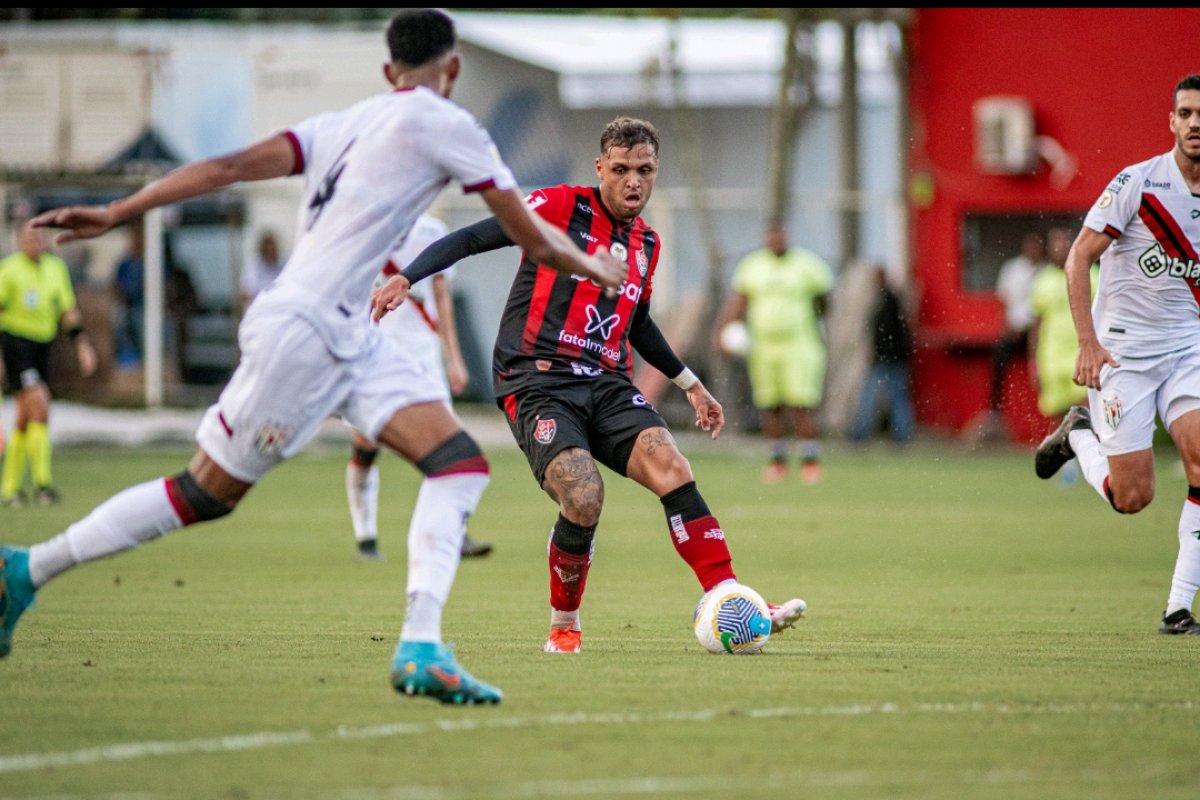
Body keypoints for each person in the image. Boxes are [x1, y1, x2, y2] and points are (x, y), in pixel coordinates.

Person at [0, 10, 624, 706]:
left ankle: (421, 645)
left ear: (389, 73)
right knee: (205, 493)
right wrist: (597, 268)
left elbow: (228, 166)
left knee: (457, 464)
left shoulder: (337, 123)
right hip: (304, 332)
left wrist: (121, 210)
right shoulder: (450, 124)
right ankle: (25, 570)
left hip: (346, 332)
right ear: (451, 71)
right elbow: (533, 238)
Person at [372, 116, 808, 655]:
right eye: (621, 169)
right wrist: (406, 277)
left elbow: (638, 323)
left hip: (604, 380)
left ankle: (732, 599)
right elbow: (472, 236)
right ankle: (564, 625)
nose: (633, 182)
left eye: (645, 170)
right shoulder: (560, 208)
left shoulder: (647, 242)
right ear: (600, 167)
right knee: (583, 495)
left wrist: (691, 384)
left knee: (674, 467)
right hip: (536, 380)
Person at [1035, 73, 1200, 636]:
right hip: (1123, 356)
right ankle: (1078, 433)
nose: (1195, 122)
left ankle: (1178, 608)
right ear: (1172, 121)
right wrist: (1088, 342)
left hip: (1187, 351)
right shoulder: (1139, 183)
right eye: (1186, 113)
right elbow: (1079, 258)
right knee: (1133, 497)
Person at [346, 212, 493, 561]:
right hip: (378, 347)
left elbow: (441, 298)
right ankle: (365, 536)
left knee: (448, 443)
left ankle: (453, 533)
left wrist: (454, 357)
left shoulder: (431, 230)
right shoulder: (366, 225)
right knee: (366, 442)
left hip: (423, 353)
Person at [714, 220, 834, 484]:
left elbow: (825, 300)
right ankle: (777, 461)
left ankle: (810, 461)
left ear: (787, 236)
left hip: (800, 343)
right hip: (764, 346)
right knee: (770, 403)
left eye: (780, 235)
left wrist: (817, 324)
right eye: (772, 235)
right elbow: (738, 302)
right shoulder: (753, 267)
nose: (776, 240)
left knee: (801, 402)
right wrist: (723, 331)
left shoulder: (807, 265)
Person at [0, 220, 98, 507]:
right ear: (20, 241)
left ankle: (9, 488)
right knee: (40, 405)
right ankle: (43, 484)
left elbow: (67, 310)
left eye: (39, 237)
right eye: (29, 238)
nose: (35, 243)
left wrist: (82, 344)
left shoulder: (55, 269)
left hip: (44, 346)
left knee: (25, 416)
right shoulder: (9, 270)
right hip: (16, 344)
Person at [1028, 227, 1098, 486]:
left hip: (1082, 353)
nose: (1059, 247)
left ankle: (1094, 460)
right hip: (1051, 355)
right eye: (1055, 243)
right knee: (1058, 414)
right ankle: (1069, 468)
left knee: (1087, 408)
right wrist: (1033, 360)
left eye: (1064, 242)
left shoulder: (1091, 274)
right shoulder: (1042, 281)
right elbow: (1035, 324)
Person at [850, 265, 915, 443]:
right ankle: (900, 433)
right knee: (896, 396)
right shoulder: (889, 299)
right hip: (892, 357)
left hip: (887, 358)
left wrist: (881, 353)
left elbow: (887, 332)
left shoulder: (887, 301)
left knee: (873, 395)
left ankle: (861, 433)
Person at [987, 230, 1044, 429]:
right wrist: (1006, 326)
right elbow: (1003, 300)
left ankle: (1046, 409)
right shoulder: (1013, 269)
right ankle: (995, 410)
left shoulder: (1046, 271)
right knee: (999, 359)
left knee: (1044, 362)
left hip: (1038, 330)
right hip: (1015, 328)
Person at [112, 222, 145, 369]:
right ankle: (126, 362)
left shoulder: (152, 262)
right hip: (126, 306)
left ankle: (145, 361)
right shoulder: (124, 264)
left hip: (145, 308)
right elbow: (115, 286)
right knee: (119, 320)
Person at [239, 230, 284, 316]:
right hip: (259, 313)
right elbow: (244, 294)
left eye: (273, 250)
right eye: (269, 250)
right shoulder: (254, 266)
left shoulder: (282, 265)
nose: (272, 252)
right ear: (264, 250)